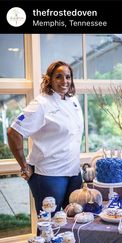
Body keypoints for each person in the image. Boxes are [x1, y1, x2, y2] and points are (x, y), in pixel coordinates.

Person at [7, 60, 84, 215]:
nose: (64, 81)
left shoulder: (73, 101)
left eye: (68, 77)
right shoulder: (41, 104)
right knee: (48, 226)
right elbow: (13, 132)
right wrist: (24, 166)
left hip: (74, 173)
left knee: (72, 224)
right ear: (49, 79)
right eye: (59, 77)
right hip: (49, 175)